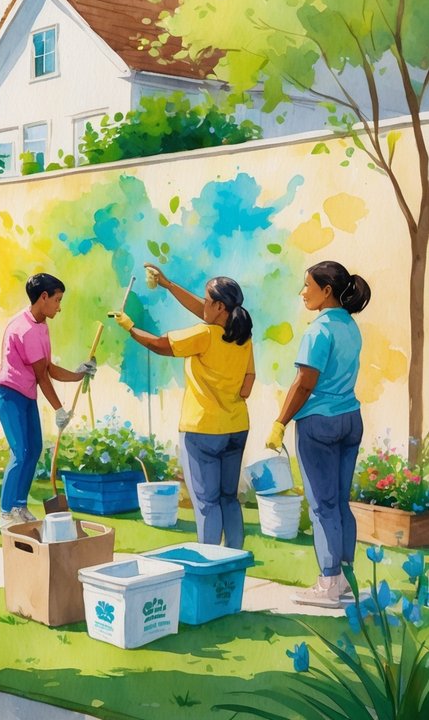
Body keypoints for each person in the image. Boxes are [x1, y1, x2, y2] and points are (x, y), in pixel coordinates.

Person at [109, 264, 254, 550]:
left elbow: (161, 344)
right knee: (228, 499)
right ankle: (234, 556)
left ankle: (210, 560)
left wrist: (130, 327)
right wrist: (168, 284)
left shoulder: (204, 335)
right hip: (236, 426)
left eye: (208, 301)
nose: (203, 306)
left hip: (201, 429)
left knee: (206, 502)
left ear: (220, 307)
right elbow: (247, 385)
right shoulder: (243, 337)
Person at [267, 261, 370, 608]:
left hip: (319, 424)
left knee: (322, 506)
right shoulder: (351, 327)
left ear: (327, 291)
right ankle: (343, 576)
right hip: (350, 419)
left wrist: (280, 421)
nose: (303, 292)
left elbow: (304, 382)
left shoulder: (319, 330)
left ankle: (328, 583)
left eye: (308, 286)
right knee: (340, 503)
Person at [0, 274, 96, 530]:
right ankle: (6, 512)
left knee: (34, 449)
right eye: (58, 300)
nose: (59, 306)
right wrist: (59, 409)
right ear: (43, 297)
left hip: (25, 393)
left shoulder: (40, 324)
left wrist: (78, 374)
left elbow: (47, 368)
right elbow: (42, 376)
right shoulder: (25, 329)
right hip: (8, 393)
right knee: (20, 452)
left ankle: (19, 505)